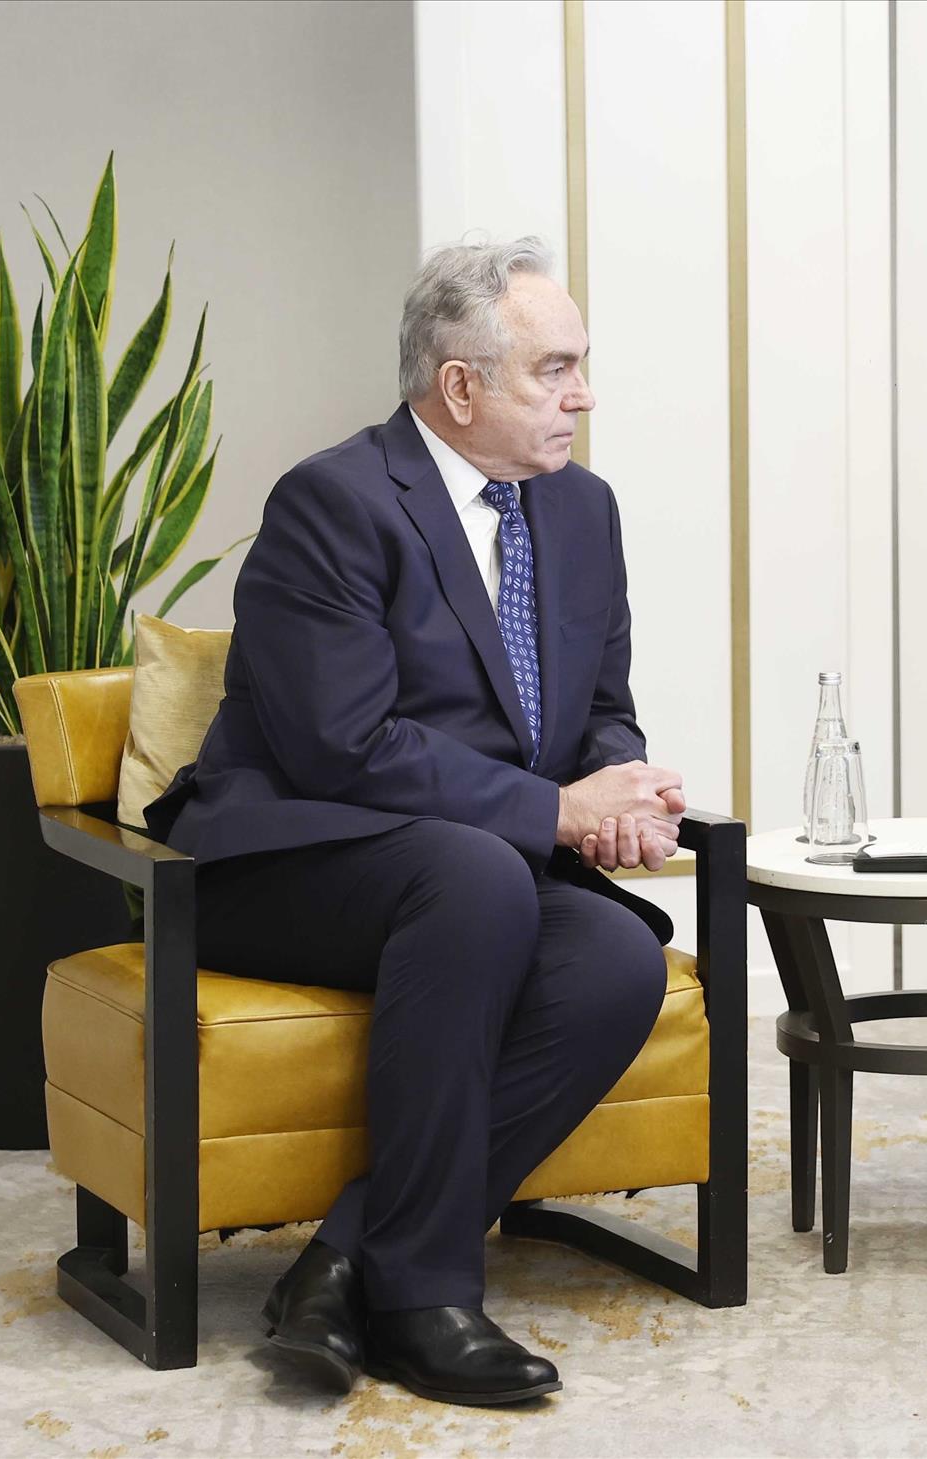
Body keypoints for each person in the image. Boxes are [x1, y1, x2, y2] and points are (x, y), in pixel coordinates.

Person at [148, 238, 686, 1407]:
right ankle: (425, 1300)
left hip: (471, 865)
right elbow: (341, 747)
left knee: (614, 955)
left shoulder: (583, 510)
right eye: (555, 369)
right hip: (290, 856)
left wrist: (620, 788)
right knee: (475, 876)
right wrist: (555, 811)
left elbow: (601, 705)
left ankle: (348, 1260)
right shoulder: (335, 502)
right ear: (460, 385)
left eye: (582, 365)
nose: (584, 395)